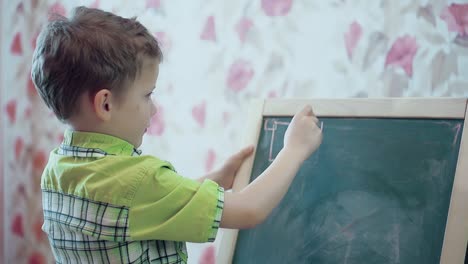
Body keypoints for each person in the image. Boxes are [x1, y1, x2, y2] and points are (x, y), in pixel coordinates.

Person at [31, 6, 323, 263]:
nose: (154, 109)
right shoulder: (138, 180)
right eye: (147, 95)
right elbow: (249, 210)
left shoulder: (58, 171)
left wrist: (217, 178)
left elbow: (140, 208)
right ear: (105, 104)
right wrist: (294, 149)